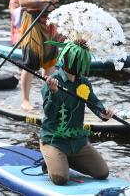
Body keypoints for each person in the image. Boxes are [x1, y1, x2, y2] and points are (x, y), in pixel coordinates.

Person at [16, 0, 89, 111]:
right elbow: (23, 1)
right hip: (32, 21)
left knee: (49, 62)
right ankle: (25, 100)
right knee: (31, 61)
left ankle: (47, 96)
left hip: (49, 20)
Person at [40, 40, 114, 185]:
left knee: (102, 173)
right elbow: (49, 114)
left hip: (77, 141)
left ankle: (66, 160)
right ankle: (50, 160)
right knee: (60, 179)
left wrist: (103, 113)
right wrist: (54, 93)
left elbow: (94, 103)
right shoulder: (52, 82)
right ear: (69, 59)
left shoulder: (84, 83)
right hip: (54, 140)